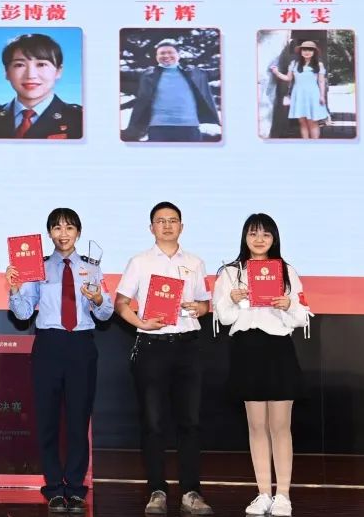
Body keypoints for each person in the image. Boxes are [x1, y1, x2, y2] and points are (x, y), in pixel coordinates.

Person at [7, 208, 114, 513]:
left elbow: (105, 313)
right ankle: (54, 487)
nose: (63, 234)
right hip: (49, 345)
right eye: (57, 228)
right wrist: (15, 288)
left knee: (79, 419)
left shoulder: (92, 267)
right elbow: (23, 313)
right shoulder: (37, 267)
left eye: (69, 228)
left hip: (81, 345)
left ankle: (76, 489)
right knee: (48, 419)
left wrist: (97, 299)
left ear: (78, 232)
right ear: (49, 233)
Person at [114, 202, 213, 516]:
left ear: (182, 226)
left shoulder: (195, 262)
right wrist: (141, 323)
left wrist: (199, 308)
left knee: (190, 422)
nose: (167, 226)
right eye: (161, 221)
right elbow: (121, 303)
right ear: (151, 227)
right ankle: (156, 490)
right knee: (153, 423)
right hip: (152, 347)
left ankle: (191, 492)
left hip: (187, 347)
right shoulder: (139, 262)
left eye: (173, 220)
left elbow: (205, 304)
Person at [212, 214, 310, 517]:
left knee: (280, 426)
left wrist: (289, 304)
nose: (259, 240)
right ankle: (264, 493)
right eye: (253, 234)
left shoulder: (287, 271)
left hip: (278, 349)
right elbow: (224, 317)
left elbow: (302, 317)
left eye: (266, 234)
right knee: (256, 426)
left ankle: (283, 495)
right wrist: (231, 298)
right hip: (246, 350)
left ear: (274, 239)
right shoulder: (230, 273)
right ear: (245, 237)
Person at [0, 33, 82, 139]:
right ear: (6, 72)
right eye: (19, 65)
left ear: (58, 71)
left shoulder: (80, 119)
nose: (31, 75)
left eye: (41, 64)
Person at [123, 39, 220, 142]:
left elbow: (220, 72)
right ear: (157, 56)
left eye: (170, 52)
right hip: (158, 128)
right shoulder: (147, 74)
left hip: (189, 127)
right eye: (162, 53)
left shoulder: (194, 72)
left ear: (178, 55)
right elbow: (121, 74)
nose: (166, 55)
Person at [270, 40, 329, 139]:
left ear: (314, 52)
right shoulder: (294, 64)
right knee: (302, 122)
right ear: (301, 51)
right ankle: (305, 143)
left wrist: (322, 96)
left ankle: (315, 144)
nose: (307, 52)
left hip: (313, 95)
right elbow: (288, 78)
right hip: (298, 95)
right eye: (304, 50)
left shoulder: (319, 65)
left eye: (310, 50)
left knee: (312, 121)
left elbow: (321, 81)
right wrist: (276, 72)